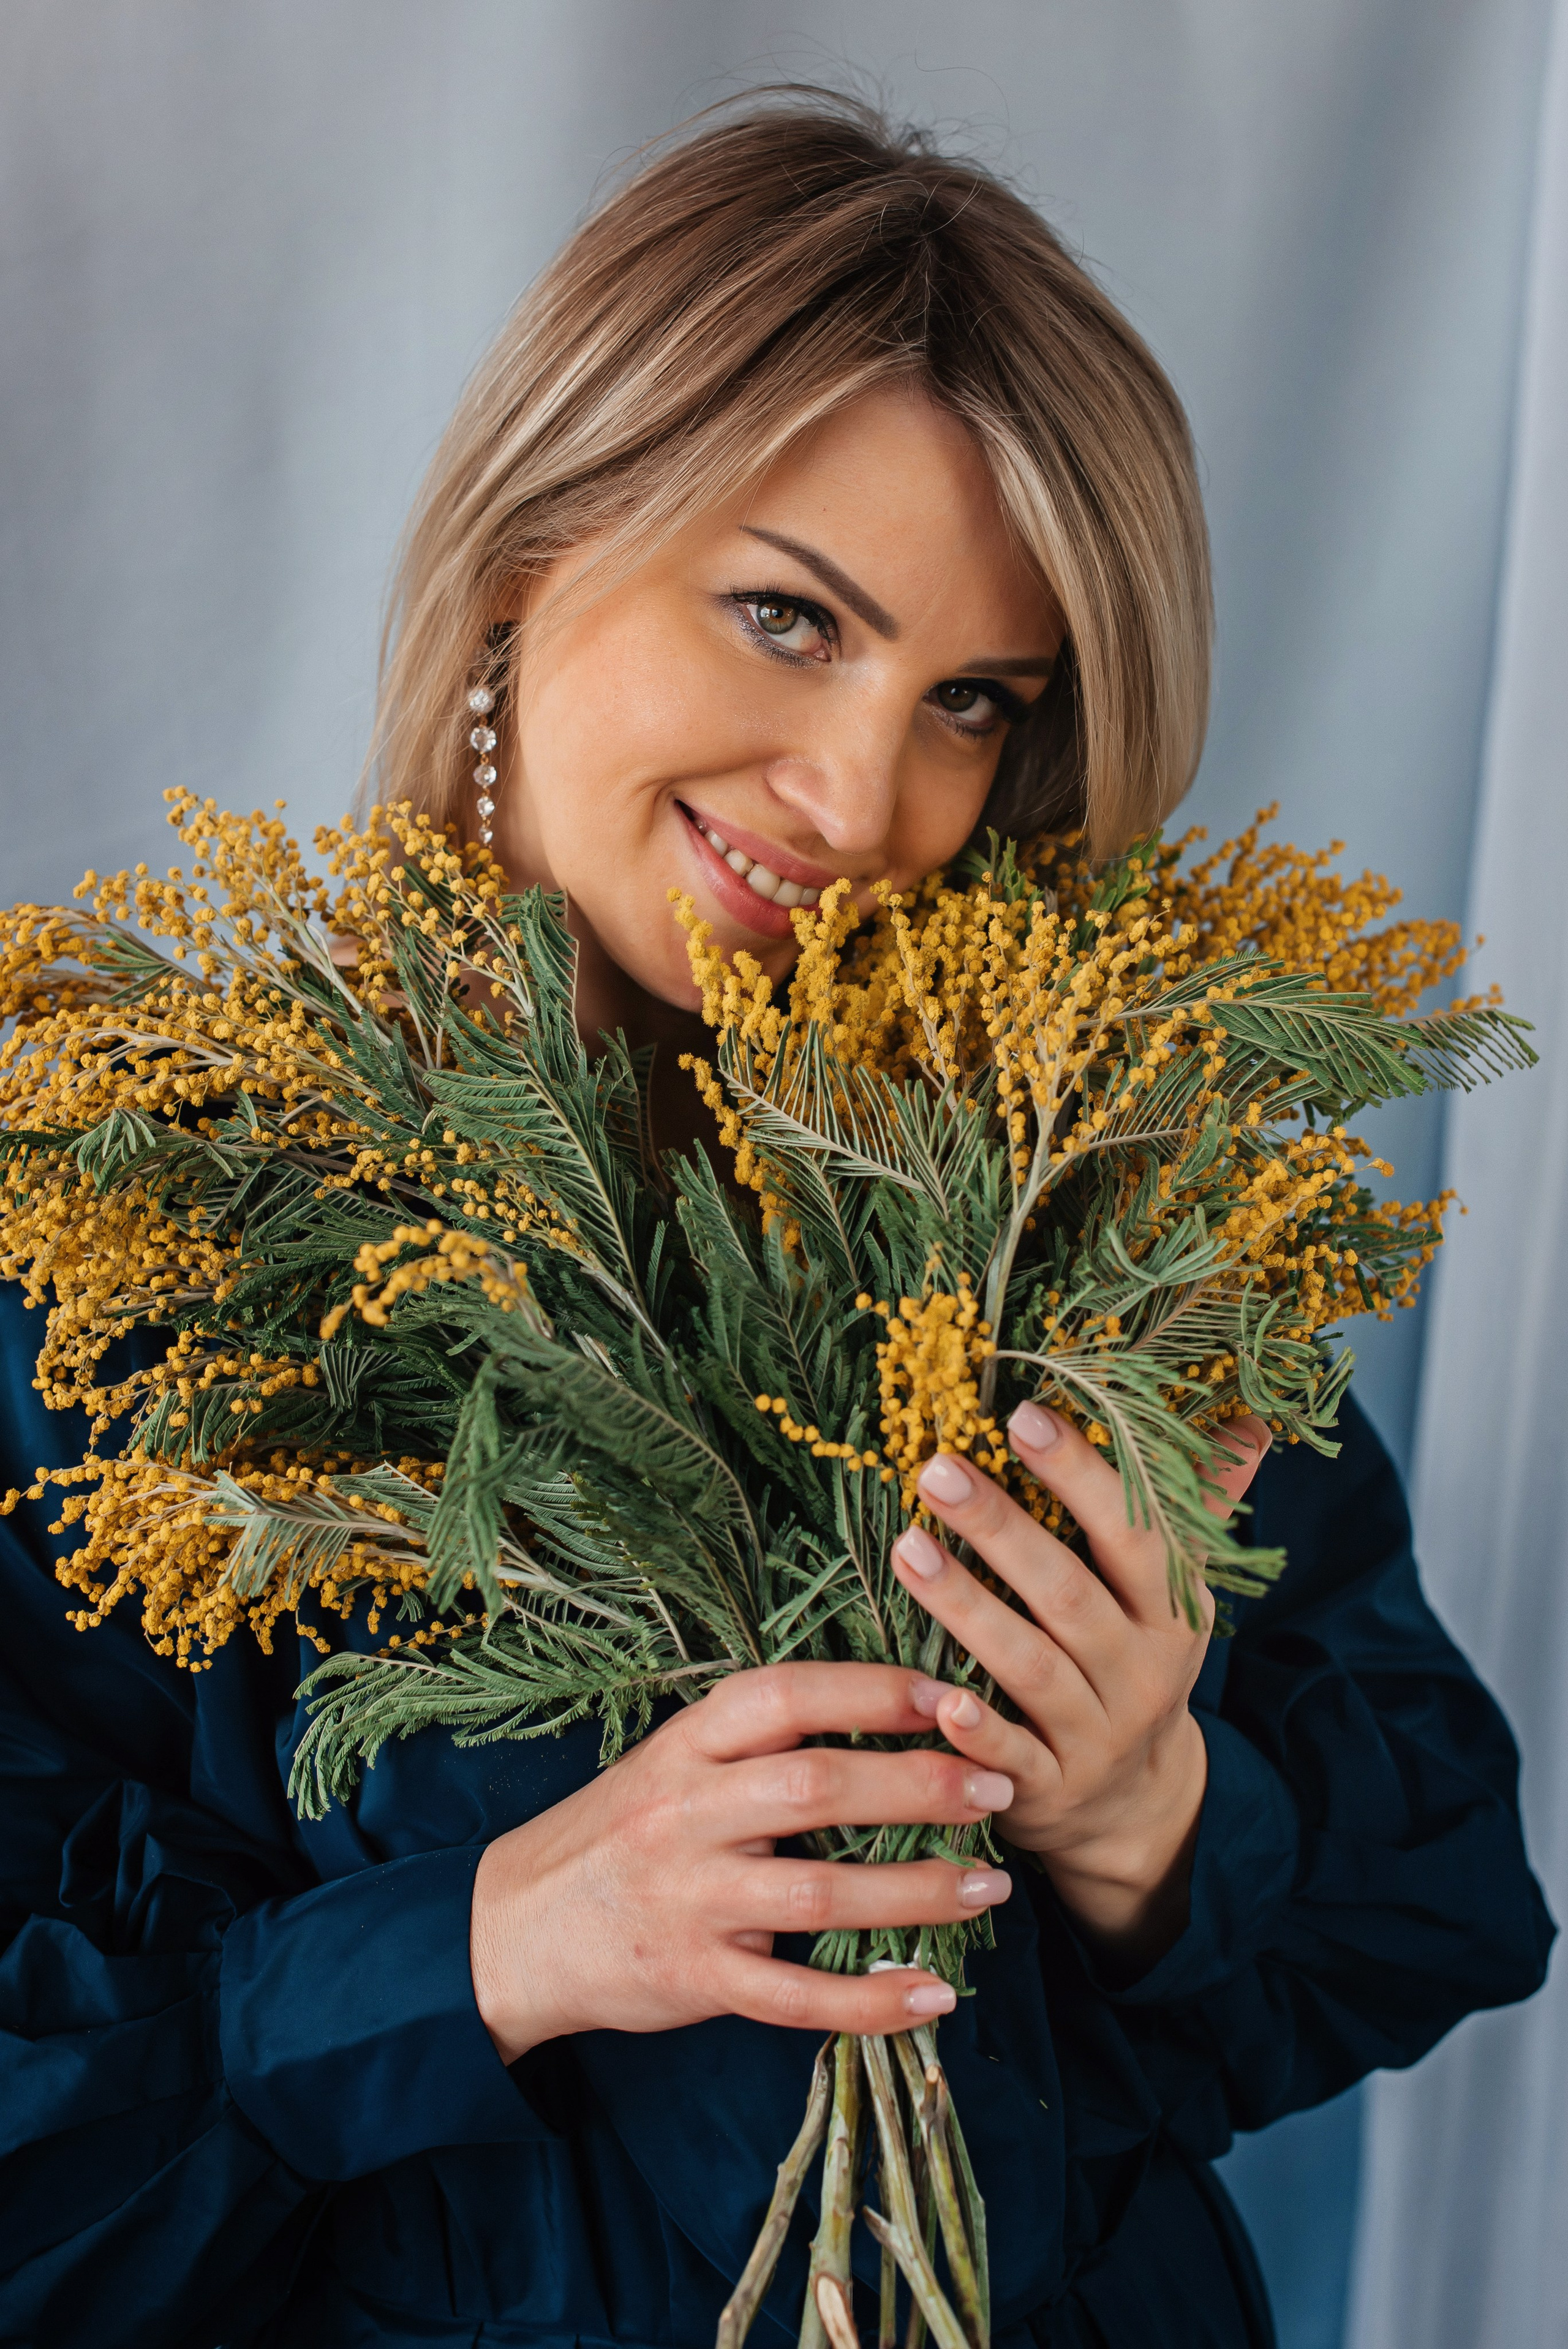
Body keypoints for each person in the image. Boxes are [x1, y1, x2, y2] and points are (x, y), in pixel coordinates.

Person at [0, 95, 1551, 2349]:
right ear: (535, 541)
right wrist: (490, 1946)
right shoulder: (133, 1234)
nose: (861, 801)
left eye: (971, 706)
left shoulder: (1089, 1217)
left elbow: (1434, 1906)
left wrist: (1147, 1806)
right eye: (786, 616)